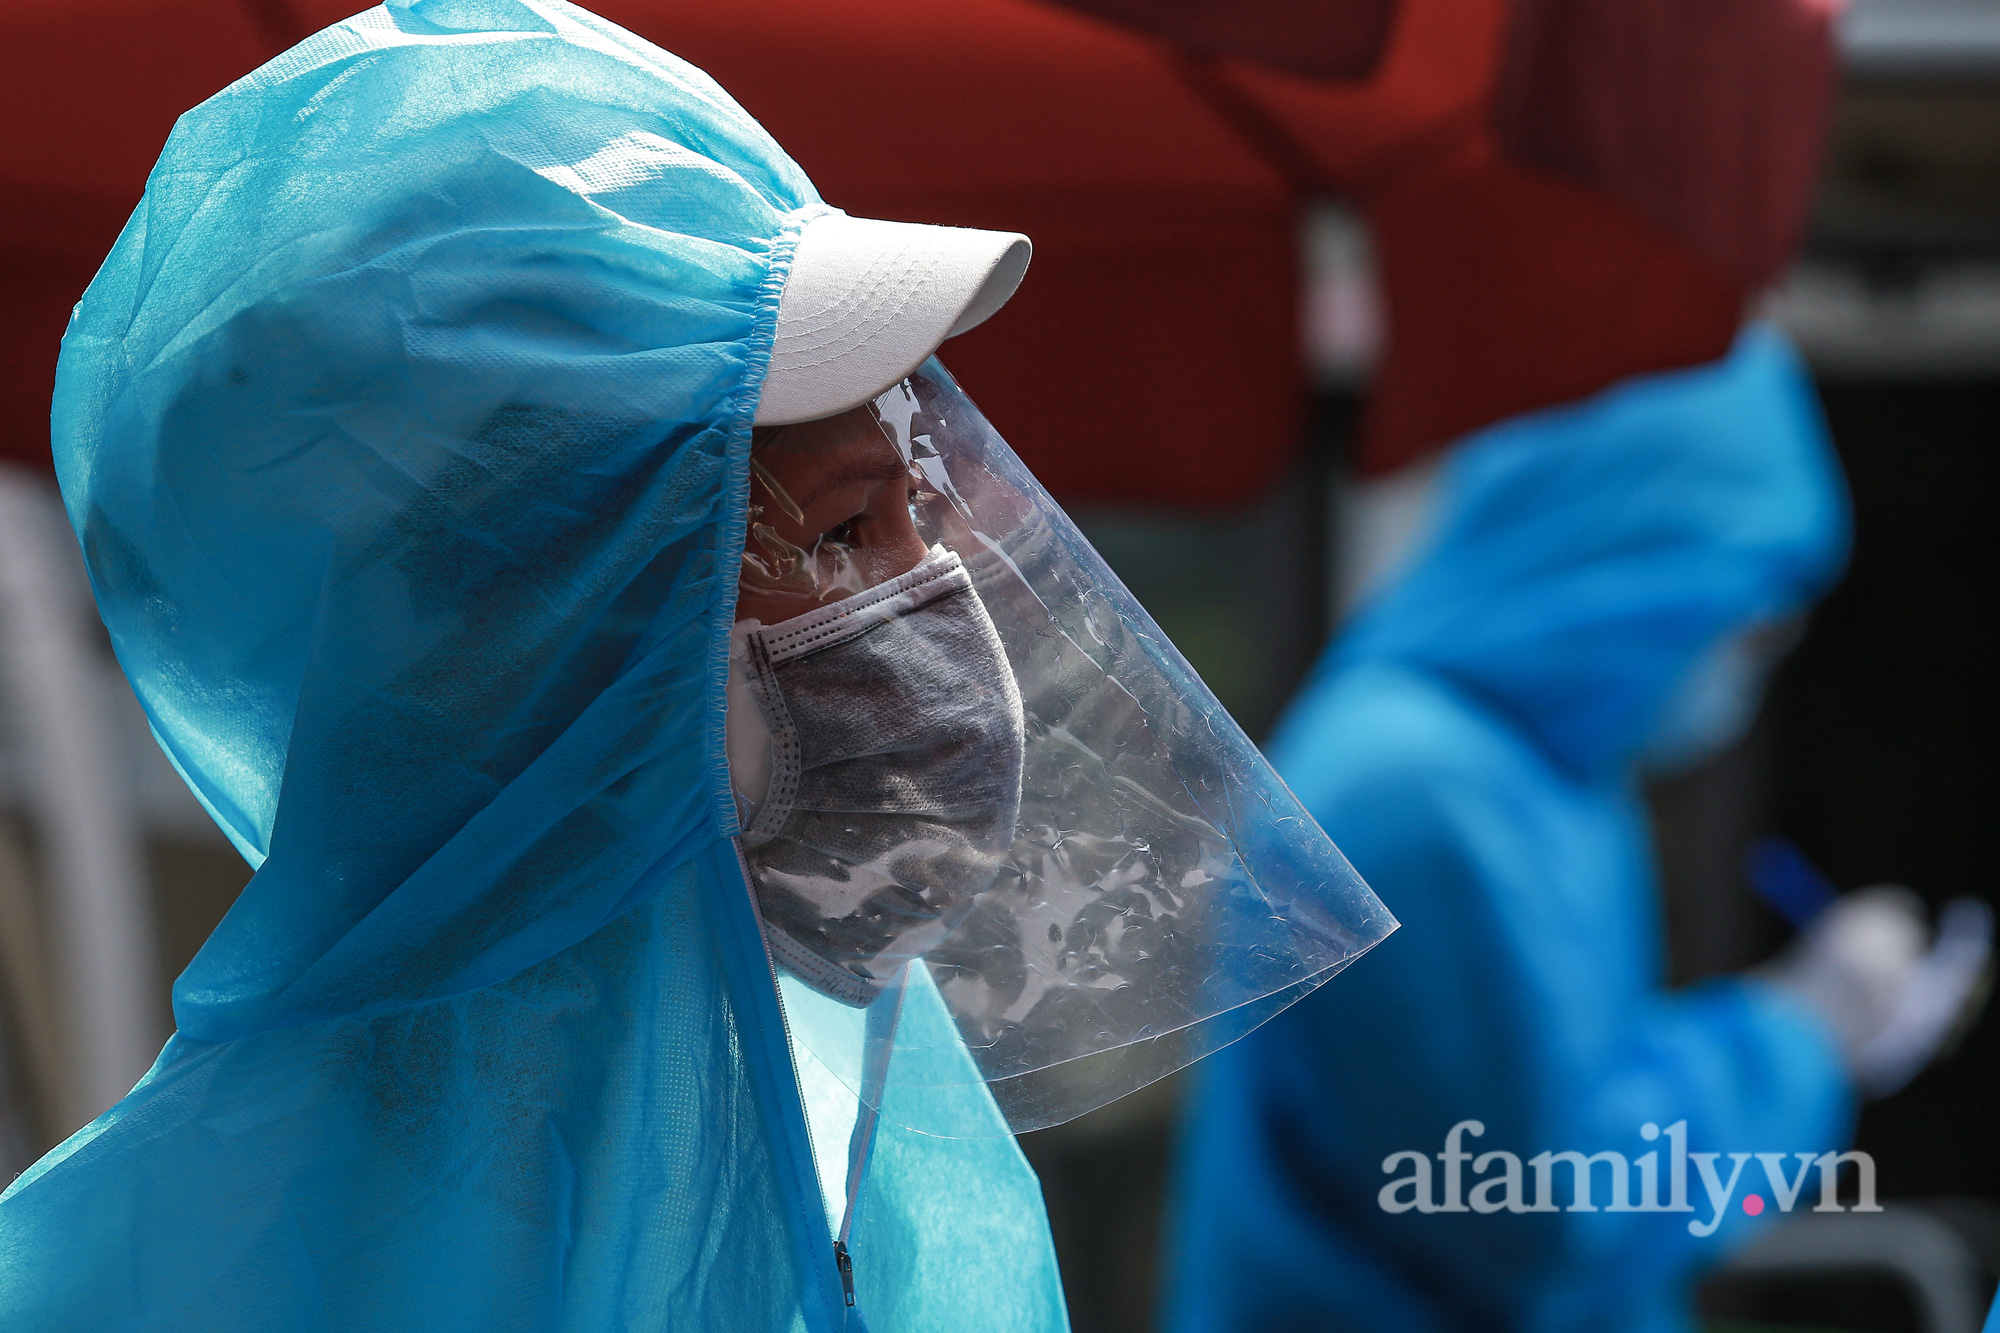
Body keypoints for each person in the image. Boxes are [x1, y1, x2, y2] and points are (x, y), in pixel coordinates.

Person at [0, 2, 1394, 1328]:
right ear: (529, 632)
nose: (939, 588)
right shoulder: (139, 1287)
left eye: (919, 498)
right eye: (845, 528)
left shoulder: (822, 1132)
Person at [1164, 324, 1981, 1332]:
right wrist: (1800, 1032)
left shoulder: (1543, 770)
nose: (1742, 660)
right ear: (1632, 564)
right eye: (1746, 617)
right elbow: (1541, 1221)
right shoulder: (1417, 794)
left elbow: (1563, 1097)